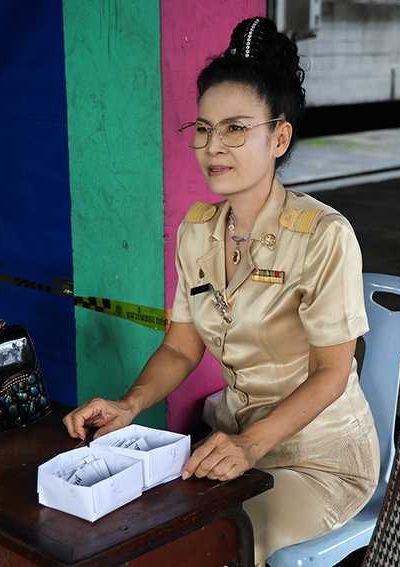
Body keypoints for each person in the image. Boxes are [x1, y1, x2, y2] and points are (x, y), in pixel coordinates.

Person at [64, 16, 379, 564]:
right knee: (145, 532)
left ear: (279, 137)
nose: (214, 146)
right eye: (204, 129)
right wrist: (130, 405)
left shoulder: (324, 236)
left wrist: (253, 444)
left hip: (317, 456)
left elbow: (333, 373)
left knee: (220, 545)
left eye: (235, 128)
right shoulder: (198, 231)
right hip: (232, 443)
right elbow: (181, 346)